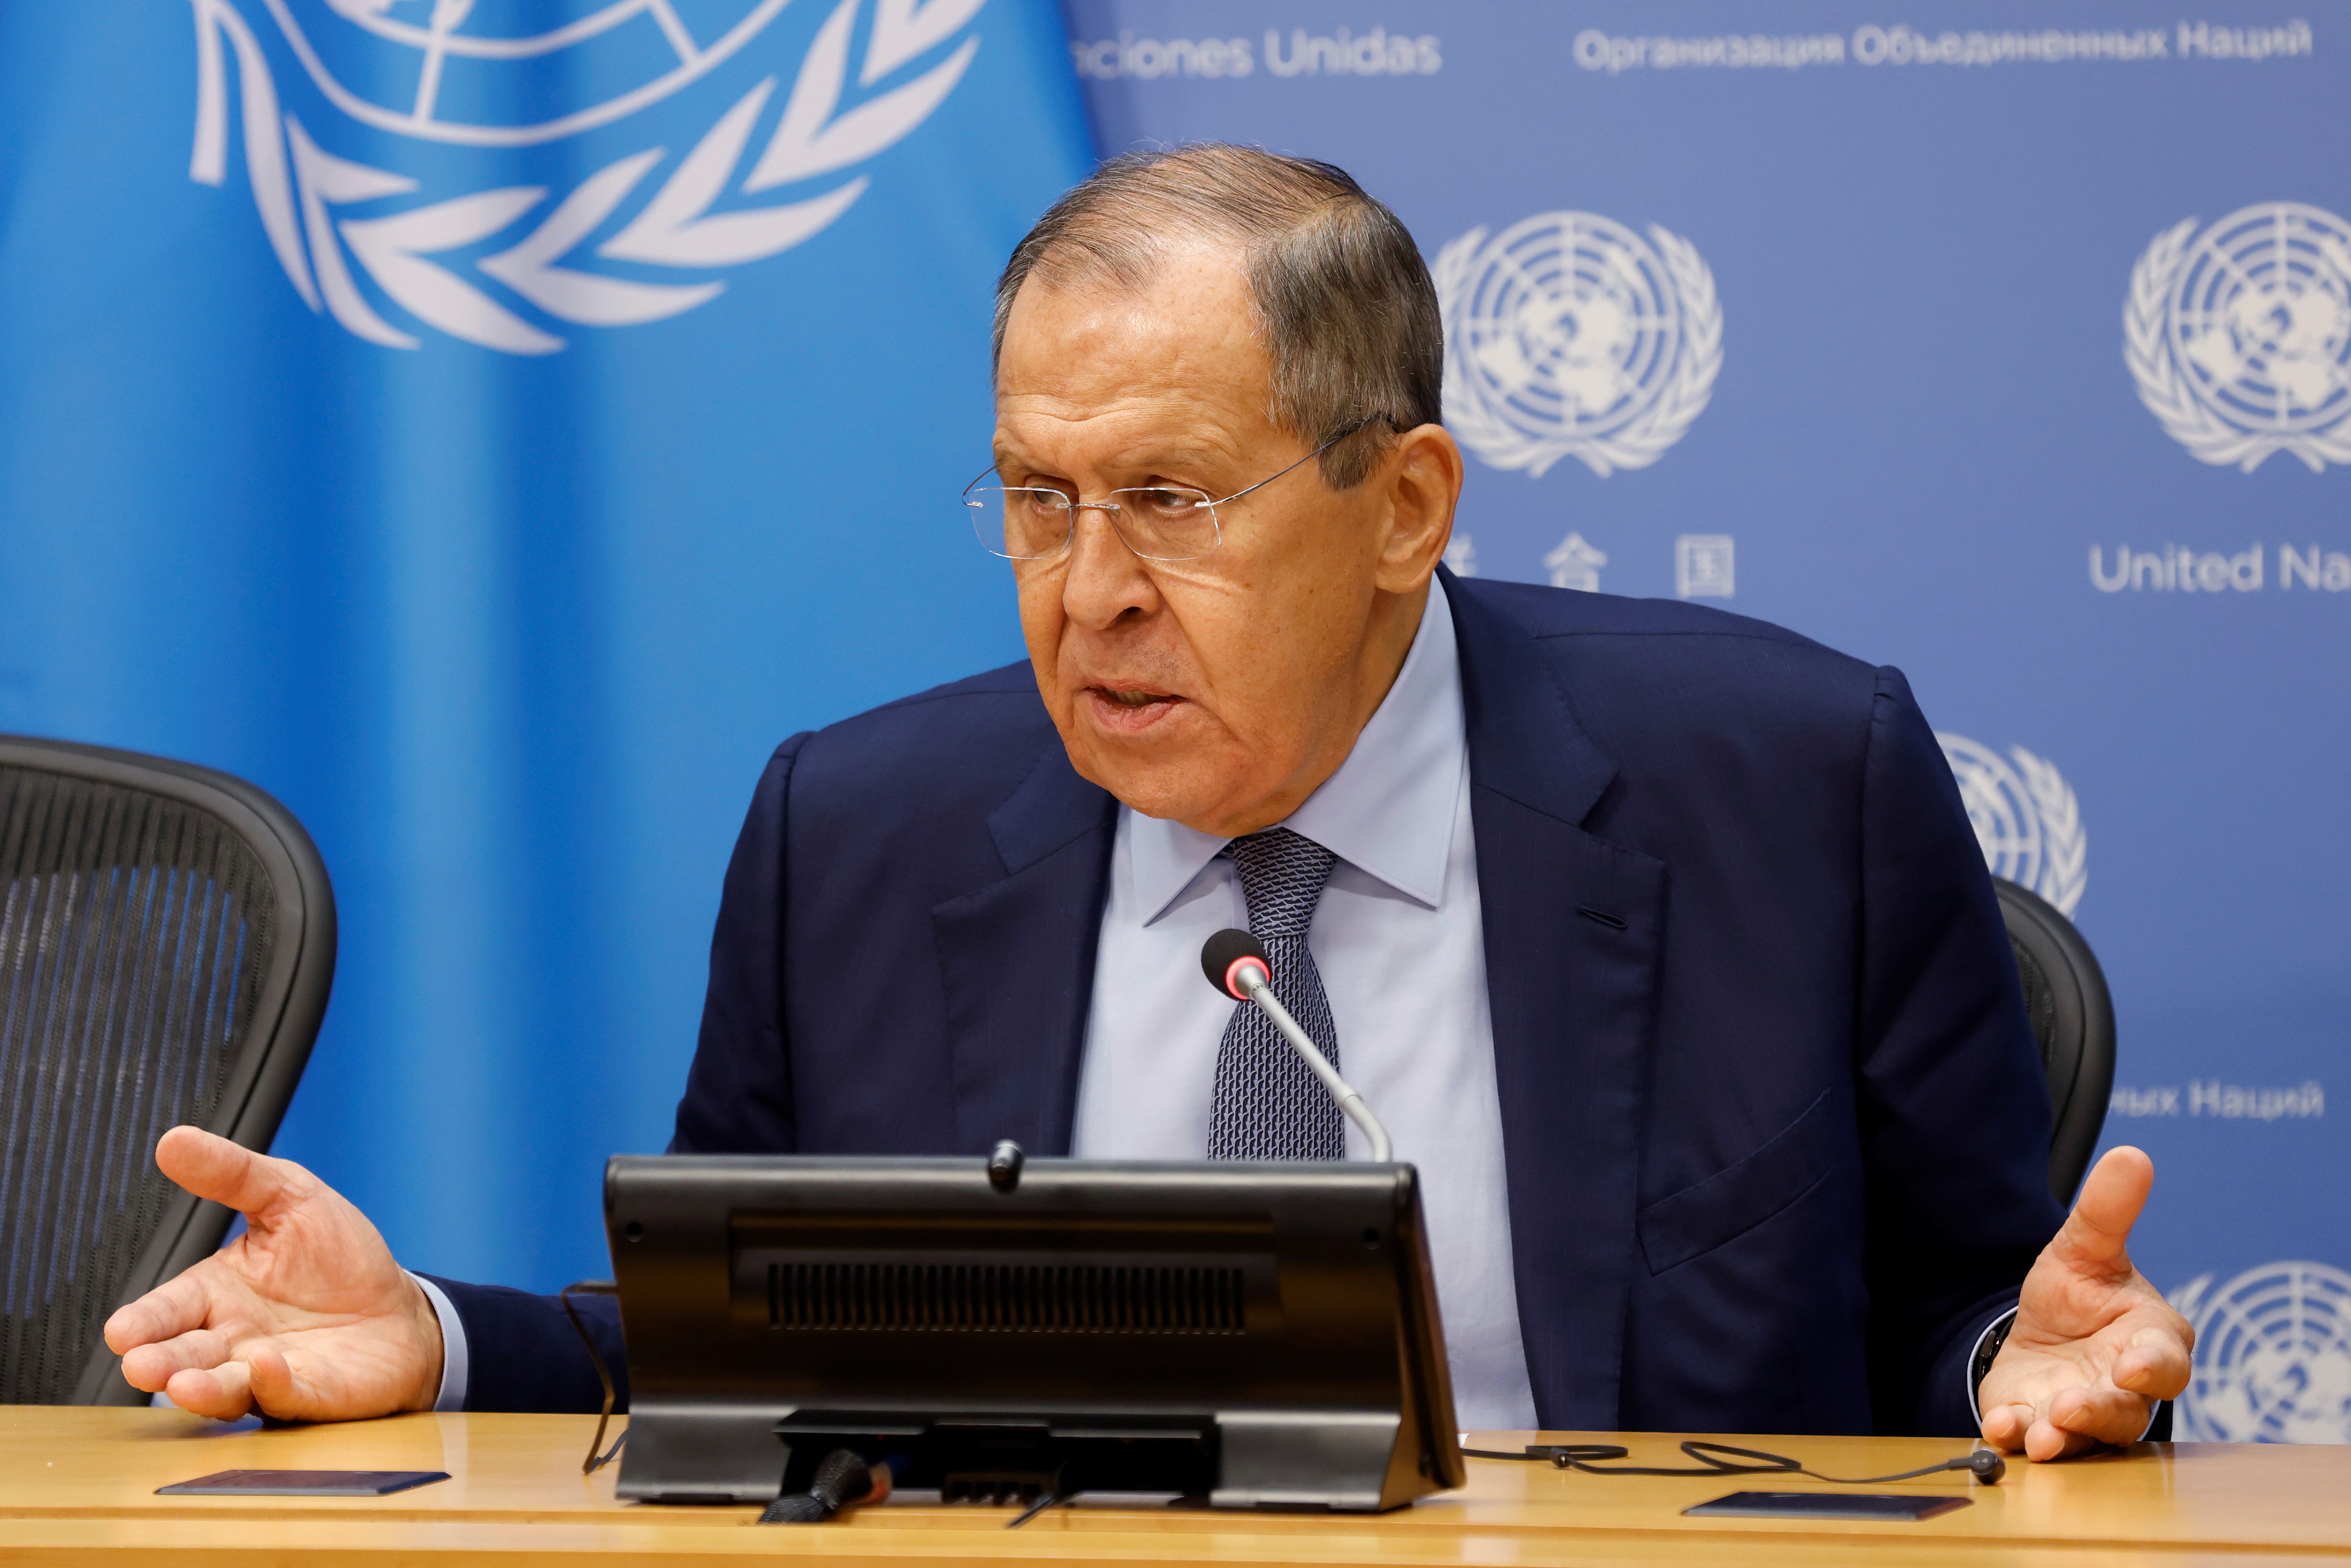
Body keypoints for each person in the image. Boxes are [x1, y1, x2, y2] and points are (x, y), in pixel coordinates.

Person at [106, 146, 2190, 1460]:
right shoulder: (862, 821)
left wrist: (2032, 1356)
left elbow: (1957, 1331)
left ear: (1403, 506)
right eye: (1036, 497)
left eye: (1170, 501)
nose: (1086, 588)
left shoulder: (1784, 785)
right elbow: (756, 1336)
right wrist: (437, 1340)